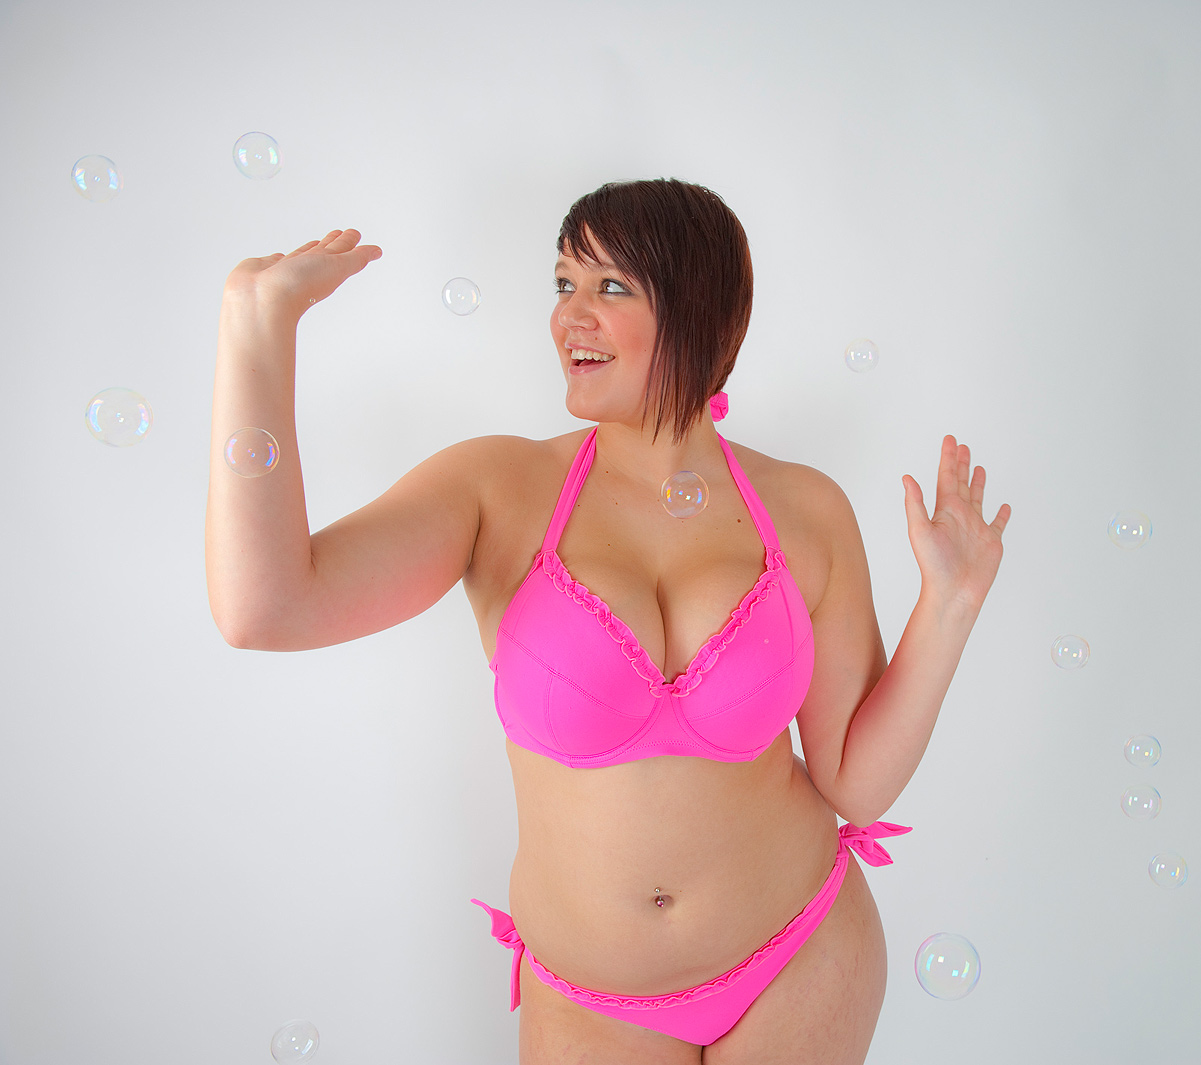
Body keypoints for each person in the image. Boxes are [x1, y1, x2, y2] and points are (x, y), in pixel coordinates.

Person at [204, 178, 1010, 1064]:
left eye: (610, 286)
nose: (569, 317)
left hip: (800, 955)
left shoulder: (805, 507)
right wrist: (257, 326)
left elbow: (855, 782)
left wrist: (951, 602)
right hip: (593, 1001)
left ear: (699, 308)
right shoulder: (497, 488)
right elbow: (266, 606)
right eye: (563, 284)